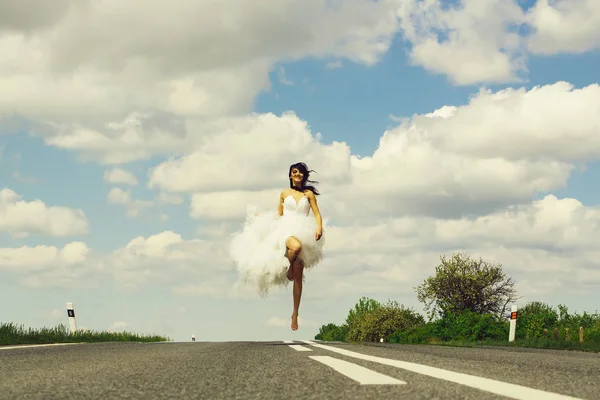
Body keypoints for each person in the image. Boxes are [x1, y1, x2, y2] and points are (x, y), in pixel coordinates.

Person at [229, 162, 325, 331]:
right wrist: (262, 218)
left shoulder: (308, 194)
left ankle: (295, 314)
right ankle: (288, 265)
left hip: (304, 231)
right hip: (285, 230)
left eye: (301, 173)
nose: (298, 175)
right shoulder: (284, 193)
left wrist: (318, 228)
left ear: (304, 176)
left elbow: (317, 213)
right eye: (295, 172)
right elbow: (278, 215)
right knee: (295, 247)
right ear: (290, 175)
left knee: (298, 278)